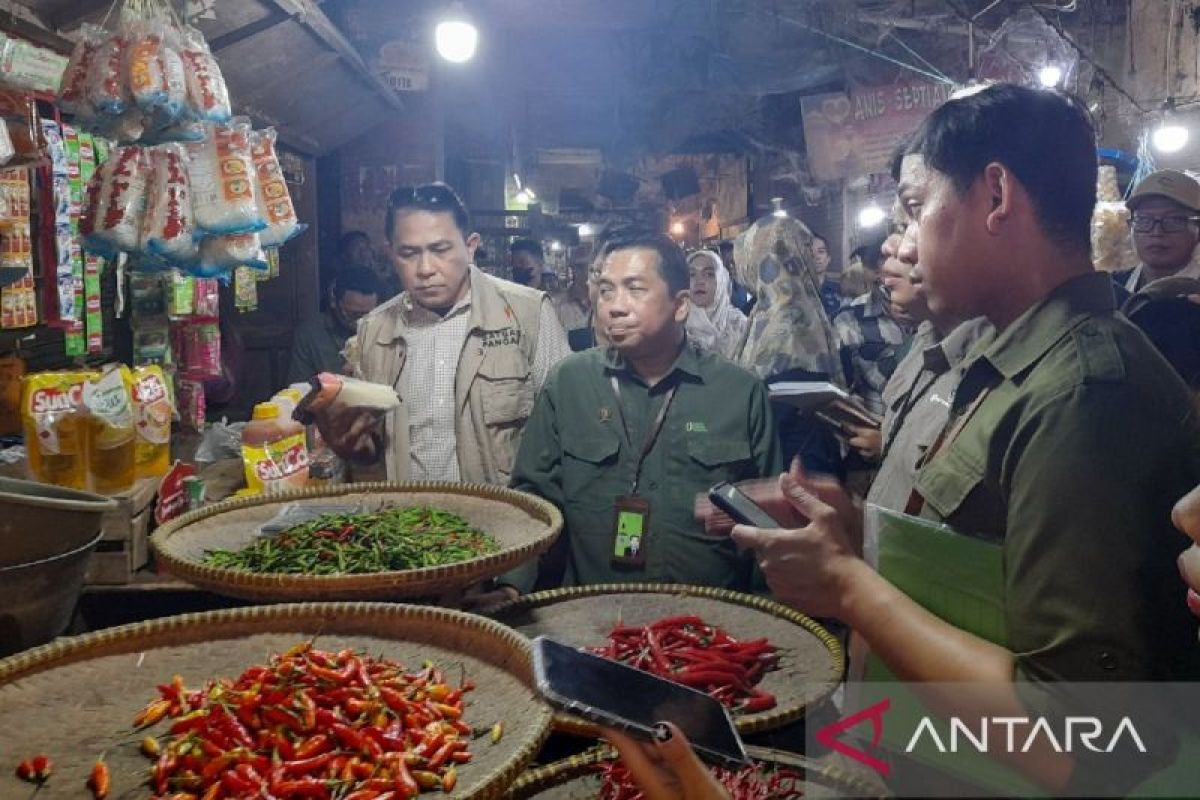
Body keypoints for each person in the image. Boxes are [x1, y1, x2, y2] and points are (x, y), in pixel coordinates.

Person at [724, 85, 1200, 793]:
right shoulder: (985, 348)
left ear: (996, 196)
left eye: (917, 207)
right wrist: (860, 534)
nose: (905, 241)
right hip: (904, 748)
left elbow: (1072, 740)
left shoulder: (1085, 393)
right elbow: (976, 561)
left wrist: (850, 588)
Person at [494, 230, 783, 598]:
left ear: (680, 305)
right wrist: (511, 584)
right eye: (606, 290)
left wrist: (768, 620)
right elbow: (534, 499)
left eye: (635, 289)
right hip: (594, 614)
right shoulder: (569, 385)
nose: (615, 305)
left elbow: (765, 521)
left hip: (713, 626)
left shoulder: (738, 394)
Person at [316, 182, 570, 485]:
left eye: (440, 249)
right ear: (390, 254)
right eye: (409, 253)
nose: (425, 268)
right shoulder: (374, 331)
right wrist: (351, 443)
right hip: (410, 525)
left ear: (471, 246)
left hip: (505, 521)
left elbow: (568, 429)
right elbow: (373, 452)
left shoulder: (528, 314)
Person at [732, 215, 845, 477]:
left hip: (789, 466)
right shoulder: (794, 306)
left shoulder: (782, 316)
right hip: (804, 458)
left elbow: (783, 406)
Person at [832, 236, 908, 419]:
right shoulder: (849, 319)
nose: (887, 286)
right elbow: (840, 387)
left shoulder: (935, 315)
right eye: (879, 281)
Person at [287, 266, 380, 384]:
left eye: (367, 316)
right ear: (333, 300)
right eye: (354, 315)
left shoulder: (386, 329)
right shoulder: (310, 336)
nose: (360, 322)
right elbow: (298, 392)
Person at [1115, 169, 1200, 293]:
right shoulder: (1113, 291)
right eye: (1144, 220)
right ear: (1130, 227)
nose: (1157, 232)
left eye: (1173, 220)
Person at [684, 249, 748, 360]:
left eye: (709, 274)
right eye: (692, 274)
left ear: (721, 280)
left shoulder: (739, 324)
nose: (699, 281)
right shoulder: (675, 325)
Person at [553, 260, 593, 350]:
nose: (589, 273)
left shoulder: (604, 304)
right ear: (574, 270)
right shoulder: (557, 305)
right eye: (583, 268)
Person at [812, 231, 842, 316]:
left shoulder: (840, 290)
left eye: (821, 251)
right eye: (811, 252)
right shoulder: (796, 292)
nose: (816, 257)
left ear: (828, 258)